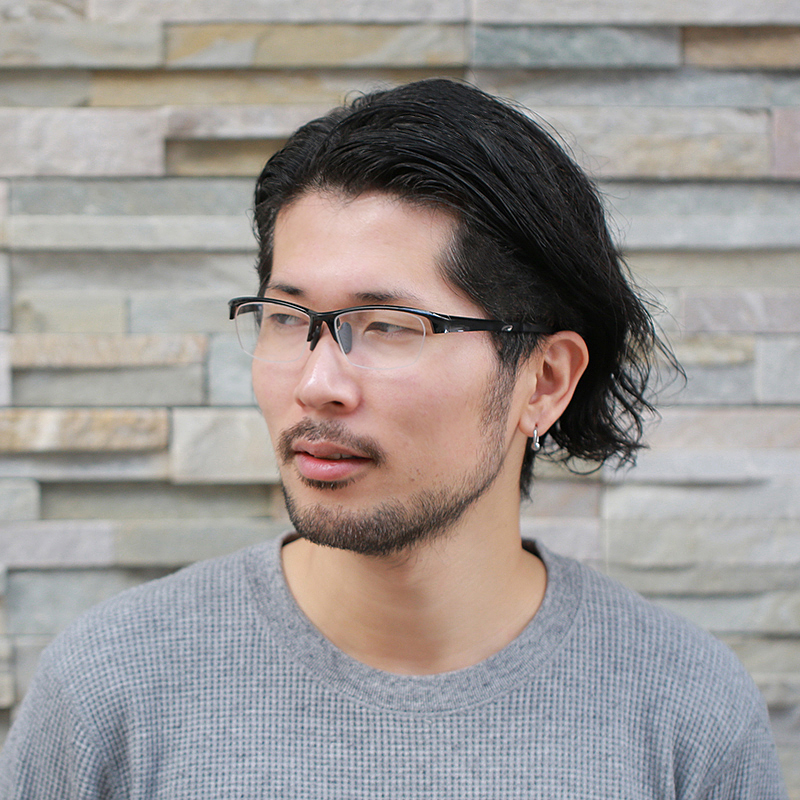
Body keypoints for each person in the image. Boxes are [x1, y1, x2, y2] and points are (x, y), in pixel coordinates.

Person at [0, 79, 787, 799]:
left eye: (387, 326)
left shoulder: (685, 712)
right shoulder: (114, 689)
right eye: (287, 319)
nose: (319, 383)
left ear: (544, 380)